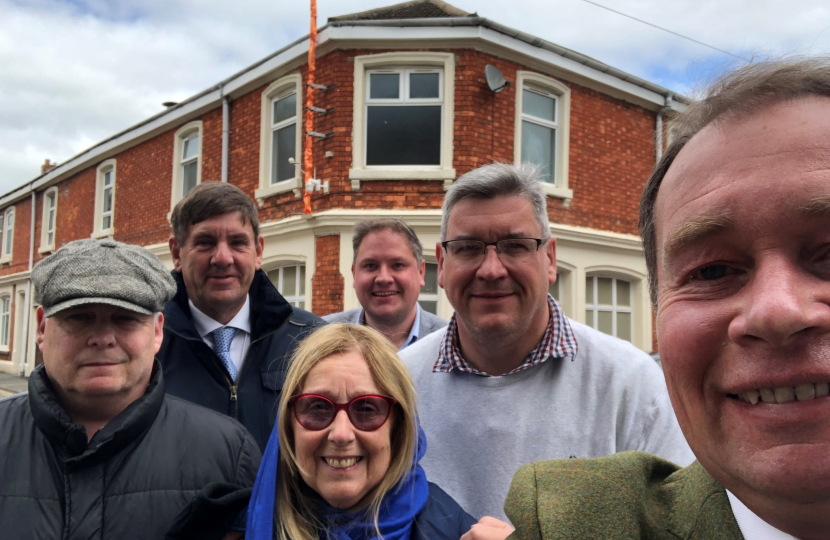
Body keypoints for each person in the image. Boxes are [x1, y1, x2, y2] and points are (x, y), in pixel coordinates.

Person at [504, 57, 830, 539]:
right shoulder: (568, 524)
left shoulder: (622, 370)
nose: (775, 310)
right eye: (713, 270)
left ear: (549, 260)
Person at [400, 163, 694, 522]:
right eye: (468, 248)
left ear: (550, 259)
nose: (491, 269)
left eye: (515, 246)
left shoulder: (631, 387)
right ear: (442, 265)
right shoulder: (400, 383)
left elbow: (679, 527)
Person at [0, 238, 260, 539]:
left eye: (125, 319)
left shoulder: (229, 452)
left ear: (157, 331)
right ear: (42, 327)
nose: (102, 338)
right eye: (80, 317)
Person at [245, 323, 512, 540]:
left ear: (398, 429)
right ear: (289, 427)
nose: (341, 434)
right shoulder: (235, 527)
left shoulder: (458, 534)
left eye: (366, 409)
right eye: (317, 408)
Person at [160, 181, 323, 449]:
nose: (223, 258)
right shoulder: (143, 348)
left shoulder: (311, 340)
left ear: (258, 251)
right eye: (205, 242)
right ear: (177, 253)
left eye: (238, 242)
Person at [323, 218, 446, 350]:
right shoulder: (319, 337)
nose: (384, 278)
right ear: (354, 273)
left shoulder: (452, 344)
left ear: (421, 272)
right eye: (371, 265)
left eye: (397, 265)